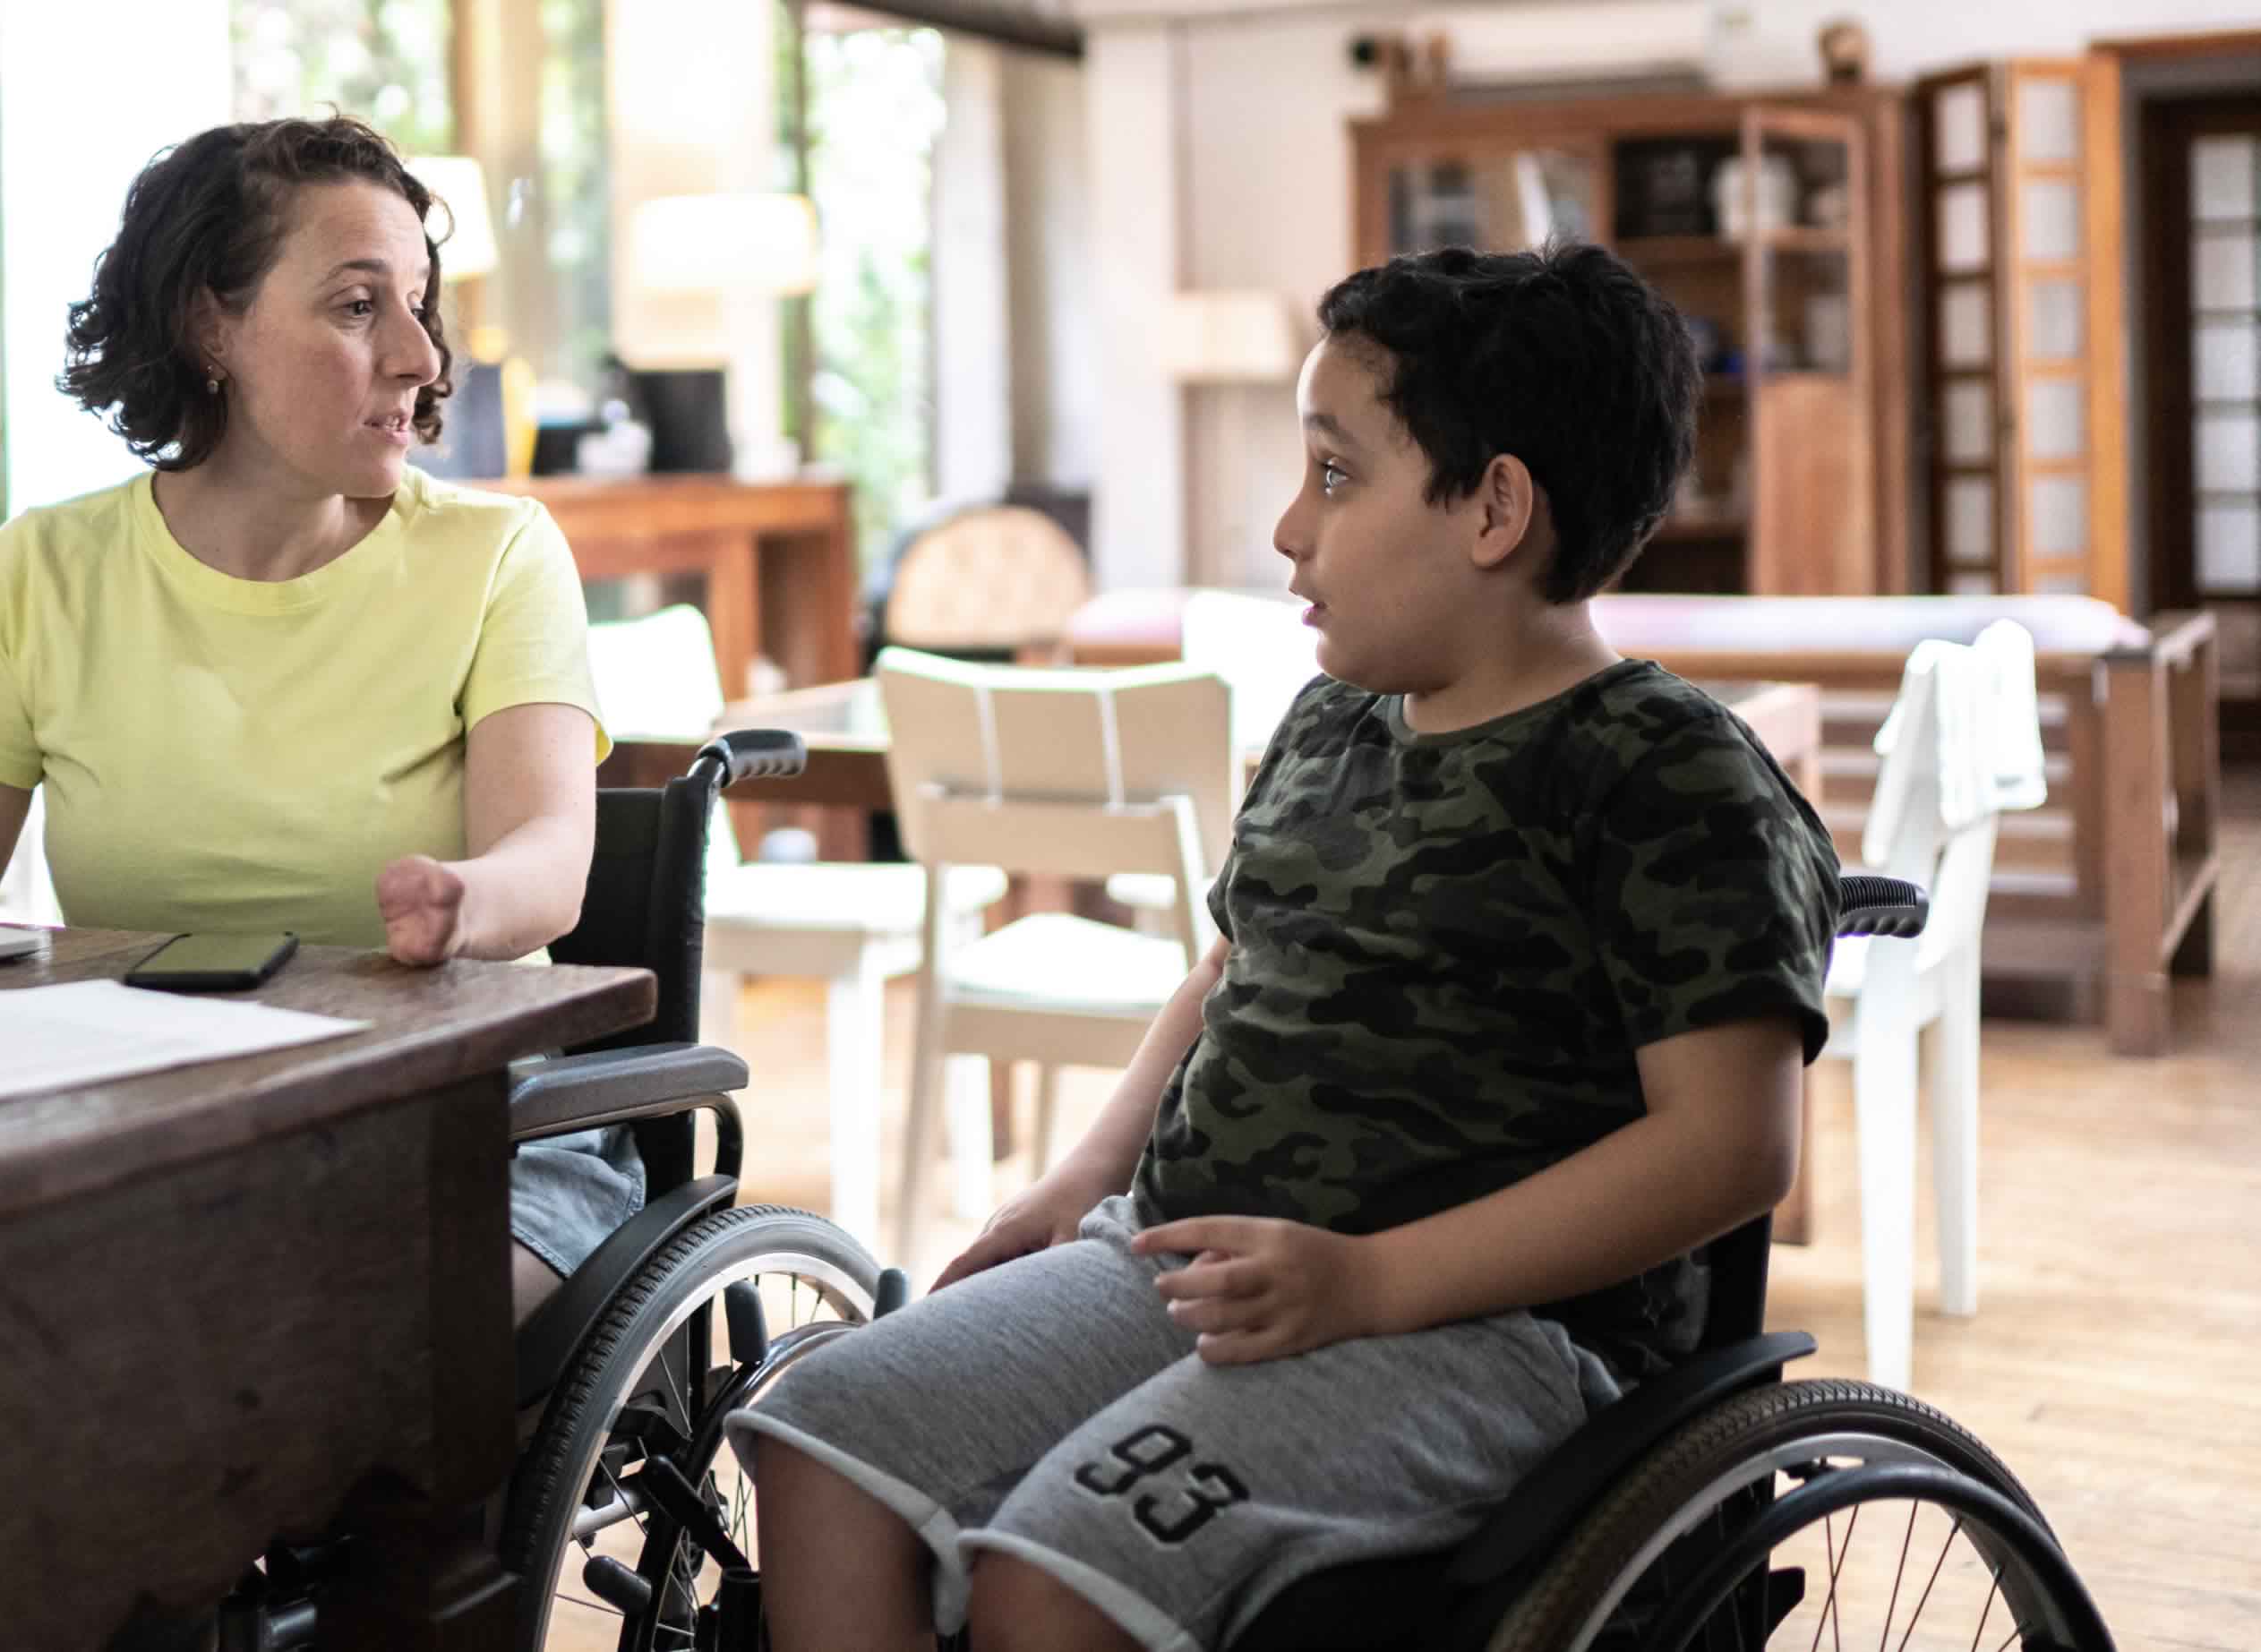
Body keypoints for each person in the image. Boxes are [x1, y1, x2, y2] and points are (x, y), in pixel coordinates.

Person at [728, 242, 1846, 1651]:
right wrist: (1079, 1179)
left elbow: (1730, 1148)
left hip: (1485, 1331)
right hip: (1190, 1254)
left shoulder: (1661, 771)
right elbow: (1226, 975)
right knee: (819, 1435)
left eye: (1332, 474)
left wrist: (1369, 1280)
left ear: (1493, 507)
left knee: (1053, 1576)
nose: (1283, 528)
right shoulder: (1329, 724)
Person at [0, 116, 626, 1326]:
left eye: (417, 305)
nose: (419, 356)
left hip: (475, 1124)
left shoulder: (499, 554)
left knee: (316, 1339)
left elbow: (549, 861)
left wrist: (467, 903)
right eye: (360, 307)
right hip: (162, 1128)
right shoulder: (45, 571)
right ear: (211, 327)